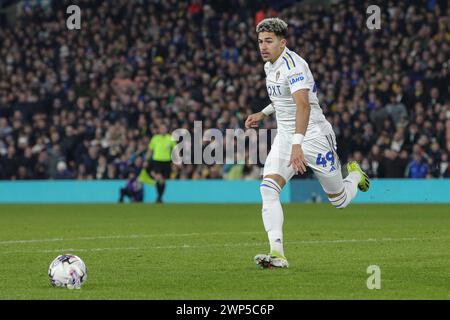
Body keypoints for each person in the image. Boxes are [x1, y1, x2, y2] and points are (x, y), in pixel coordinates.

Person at [245, 18, 370, 269]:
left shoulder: (295, 65)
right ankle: (277, 253)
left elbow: (303, 105)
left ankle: (355, 176)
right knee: (268, 189)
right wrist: (264, 113)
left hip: (313, 135)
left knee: (340, 201)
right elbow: (284, 99)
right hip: (286, 136)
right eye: (260, 41)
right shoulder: (270, 65)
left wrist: (297, 145)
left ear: (283, 43)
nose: (263, 46)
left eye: (268, 41)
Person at [146, 124, 176, 203]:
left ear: (166, 130)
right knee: (158, 177)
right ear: (159, 130)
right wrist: (146, 160)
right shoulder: (155, 138)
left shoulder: (170, 138)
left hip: (166, 161)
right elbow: (150, 150)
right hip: (157, 160)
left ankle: (159, 197)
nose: (163, 130)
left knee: (163, 181)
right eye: (161, 128)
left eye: (164, 128)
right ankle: (159, 196)